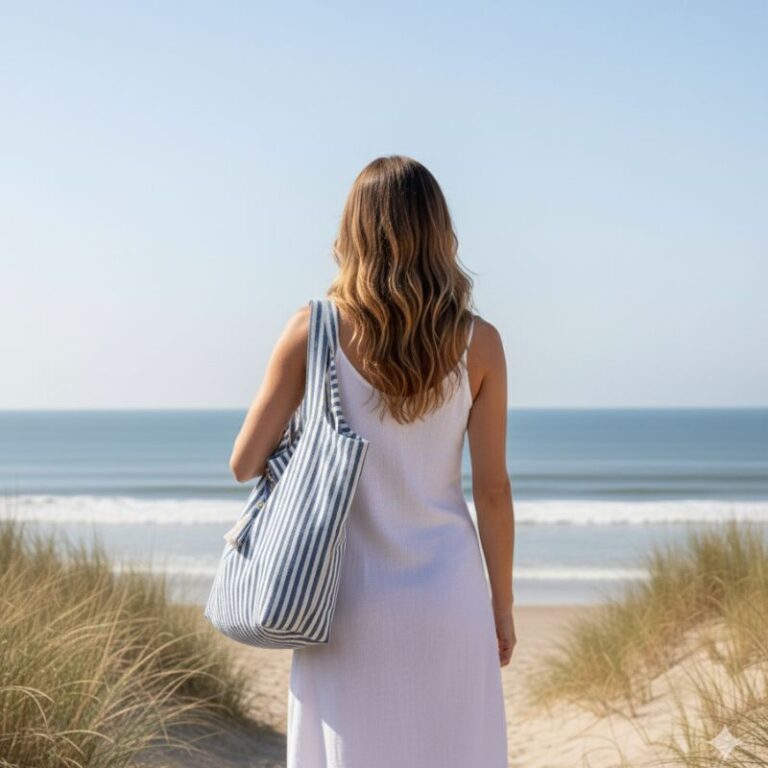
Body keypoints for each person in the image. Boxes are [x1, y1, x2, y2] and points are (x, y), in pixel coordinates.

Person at [229, 155, 516, 767]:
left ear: (353, 231)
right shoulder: (480, 341)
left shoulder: (313, 330)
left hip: (345, 599)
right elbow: (492, 492)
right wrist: (502, 605)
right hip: (450, 593)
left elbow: (244, 461)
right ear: (438, 231)